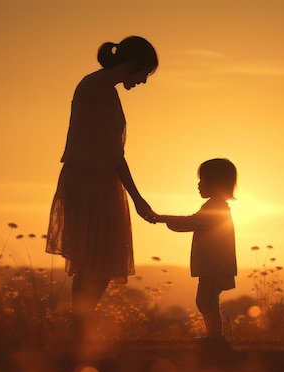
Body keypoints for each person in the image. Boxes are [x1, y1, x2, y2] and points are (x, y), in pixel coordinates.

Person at [46, 36, 158, 329]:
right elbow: (113, 153)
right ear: (134, 65)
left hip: (89, 178)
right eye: (145, 74)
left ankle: (79, 325)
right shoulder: (100, 91)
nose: (144, 82)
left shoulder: (95, 86)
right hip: (92, 181)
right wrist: (137, 198)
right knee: (100, 261)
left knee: (92, 261)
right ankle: (80, 324)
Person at [156, 158, 238, 344]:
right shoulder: (216, 206)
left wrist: (161, 218)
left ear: (215, 183)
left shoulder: (216, 208)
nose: (199, 184)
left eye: (202, 180)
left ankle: (215, 339)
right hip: (213, 266)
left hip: (214, 267)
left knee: (206, 301)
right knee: (208, 301)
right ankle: (214, 337)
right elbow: (192, 222)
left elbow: (191, 222)